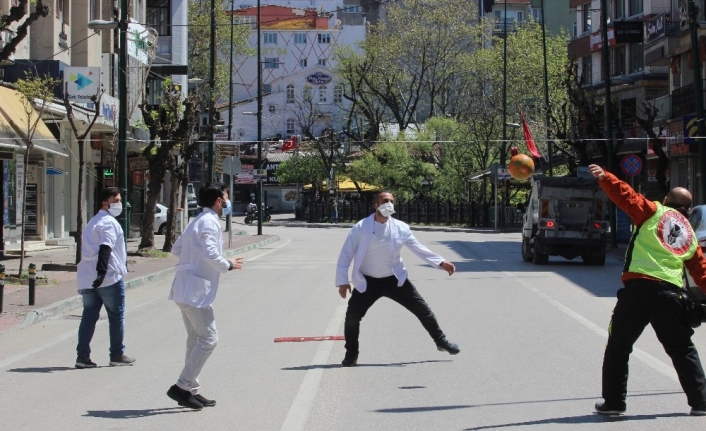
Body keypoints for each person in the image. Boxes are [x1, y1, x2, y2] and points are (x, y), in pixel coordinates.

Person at [589, 164, 706, 416]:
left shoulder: (654, 211)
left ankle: (614, 404)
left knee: (619, 346)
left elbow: (626, 195)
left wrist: (605, 177)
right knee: (682, 348)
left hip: (639, 291)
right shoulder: (690, 236)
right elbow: (702, 273)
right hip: (671, 296)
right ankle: (701, 403)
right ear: (688, 209)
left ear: (667, 200)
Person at [335, 191, 460, 367]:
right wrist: (342, 280)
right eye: (385, 201)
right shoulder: (361, 227)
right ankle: (351, 354)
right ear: (376, 205)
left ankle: (441, 341)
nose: (389, 204)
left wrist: (440, 262)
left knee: (423, 309)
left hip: (395, 280)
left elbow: (418, 248)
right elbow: (346, 253)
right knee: (352, 317)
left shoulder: (401, 227)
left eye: (392, 201)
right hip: (368, 282)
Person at [166, 183, 244, 410]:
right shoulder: (209, 222)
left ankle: (190, 389)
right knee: (209, 339)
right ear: (219, 201)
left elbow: (177, 249)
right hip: (195, 293)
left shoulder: (197, 221)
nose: (228, 203)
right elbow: (210, 253)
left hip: (185, 289)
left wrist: (194, 262)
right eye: (226, 199)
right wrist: (227, 264)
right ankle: (181, 387)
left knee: (195, 339)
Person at [75, 187, 135, 368]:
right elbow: (105, 247)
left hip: (87, 277)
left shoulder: (93, 222)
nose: (119, 204)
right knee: (116, 315)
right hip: (107, 277)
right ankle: (117, 354)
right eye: (115, 200)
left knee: (89, 317)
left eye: (119, 200)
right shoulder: (109, 223)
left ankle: (82, 357)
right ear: (104, 203)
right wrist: (102, 272)